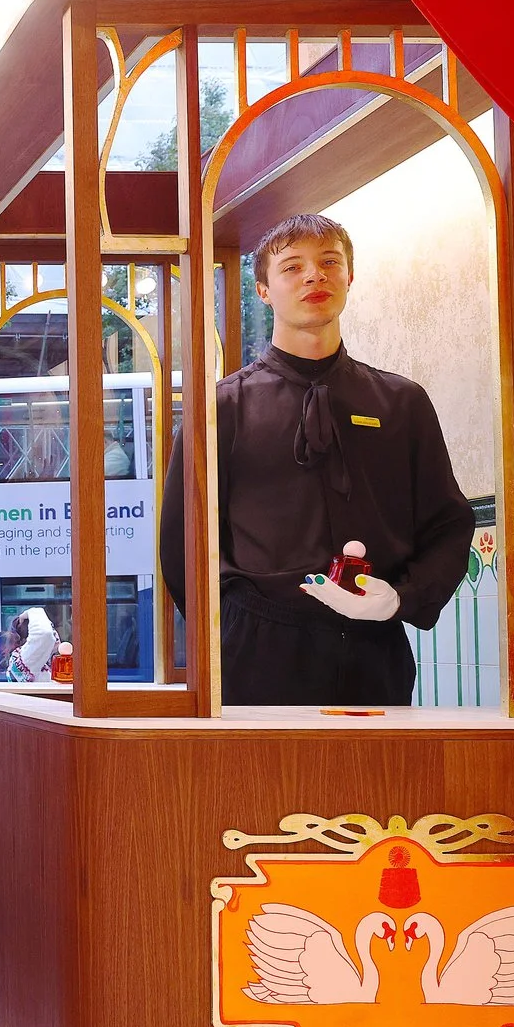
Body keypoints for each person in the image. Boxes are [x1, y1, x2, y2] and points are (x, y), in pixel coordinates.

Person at [158, 213, 474, 705]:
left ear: (350, 276)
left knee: (379, 784)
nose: (314, 276)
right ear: (263, 289)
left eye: (330, 262)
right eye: (292, 267)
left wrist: (401, 598)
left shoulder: (402, 402)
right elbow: (185, 540)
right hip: (255, 653)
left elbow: (448, 524)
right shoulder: (221, 409)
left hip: (375, 648)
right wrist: (236, 616)